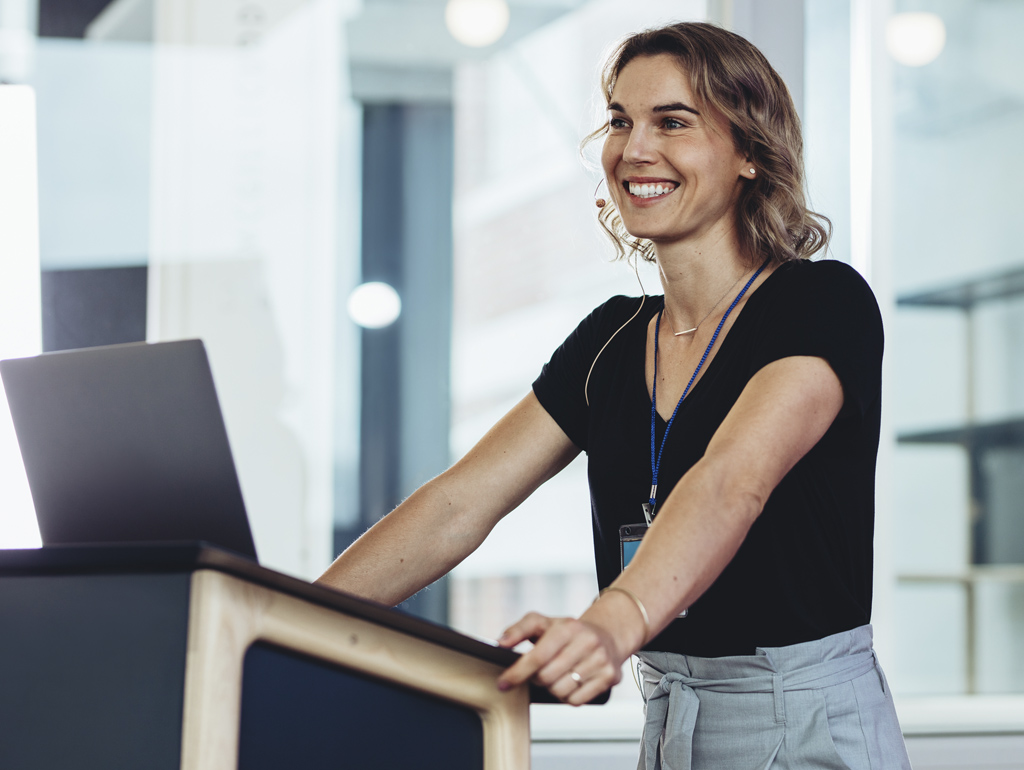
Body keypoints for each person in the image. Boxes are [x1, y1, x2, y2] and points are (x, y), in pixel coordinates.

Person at [317, 21, 912, 769]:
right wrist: (279, 621)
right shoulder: (610, 338)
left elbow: (733, 480)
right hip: (668, 708)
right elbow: (458, 504)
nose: (634, 149)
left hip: (803, 717)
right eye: (621, 121)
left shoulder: (821, 303)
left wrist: (610, 623)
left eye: (673, 122)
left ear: (752, 154)